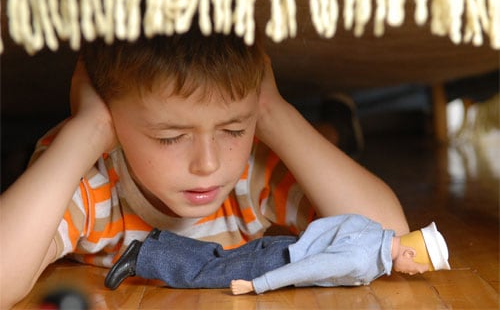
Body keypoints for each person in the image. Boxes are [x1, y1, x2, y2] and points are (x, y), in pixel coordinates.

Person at [0, 24, 409, 308]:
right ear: (108, 121)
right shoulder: (90, 177)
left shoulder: (253, 171)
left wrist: (274, 114)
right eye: (170, 137)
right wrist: (85, 131)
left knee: (317, 144)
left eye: (234, 129)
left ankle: (334, 128)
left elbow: (388, 239)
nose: (209, 165)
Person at [103, 214, 449, 292]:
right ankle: (143, 258)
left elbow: (331, 224)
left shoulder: (374, 231)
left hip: (286, 244)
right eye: (421, 267)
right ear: (408, 254)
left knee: (221, 256)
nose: (417, 273)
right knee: (206, 274)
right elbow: (309, 269)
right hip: (281, 261)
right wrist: (259, 285)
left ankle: (160, 240)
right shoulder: (360, 258)